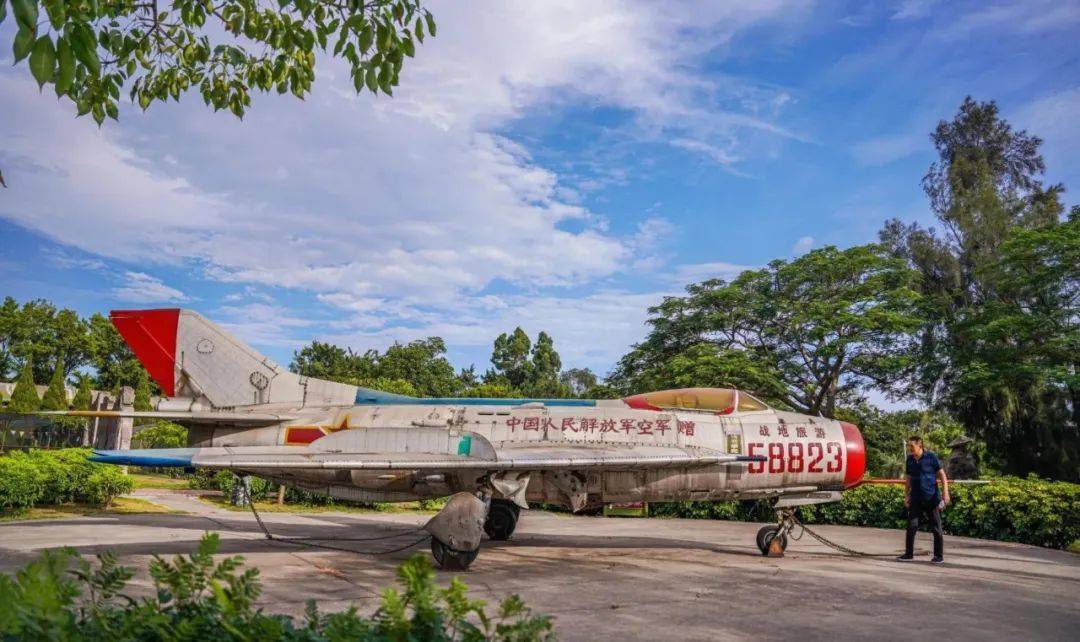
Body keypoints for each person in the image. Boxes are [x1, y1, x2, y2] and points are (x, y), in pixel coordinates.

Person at [897, 436, 950, 564]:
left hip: (931, 497)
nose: (910, 449)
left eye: (912, 446)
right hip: (915, 498)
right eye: (909, 446)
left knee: (936, 527)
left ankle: (938, 556)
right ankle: (909, 554)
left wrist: (945, 493)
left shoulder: (931, 457)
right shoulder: (909, 460)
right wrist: (906, 495)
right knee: (911, 526)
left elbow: (942, 475)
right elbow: (908, 478)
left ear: (919, 445)